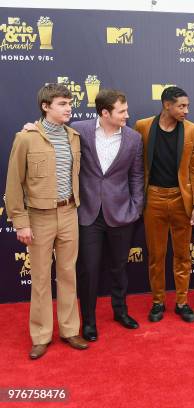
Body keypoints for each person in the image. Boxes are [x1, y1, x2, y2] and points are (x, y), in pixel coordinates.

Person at [5, 83, 88, 359]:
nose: (69, 108)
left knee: (68, 275)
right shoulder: (26, 138)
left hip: (69, 213)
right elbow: (14, 185)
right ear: (45, 107)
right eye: (62, 104)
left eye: (70, 103)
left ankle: (69, 329)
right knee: (40, 279)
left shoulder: (74, 136)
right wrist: (21, 222)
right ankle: (40, 335)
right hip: (38, 217)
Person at [71, 89, 144, 340]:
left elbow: (136, 175)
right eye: (122, 111)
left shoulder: (134, 138)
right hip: (88, 213)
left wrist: (136, 208)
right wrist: (32, 128)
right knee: (89, 270)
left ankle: (120, 311)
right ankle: (88, 322)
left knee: (119, 267)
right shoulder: (79, 130)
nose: (127, 114)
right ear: (105, 113)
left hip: (122, 213)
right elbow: (52, 136)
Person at [134, 86, 194, 323]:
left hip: (180, 200)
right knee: (156, 255)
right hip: (152, 198)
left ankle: (182, 302)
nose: (186, 110)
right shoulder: (143, 126)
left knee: (183, 255)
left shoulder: (193, 131)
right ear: (167, 105)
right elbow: (136, 165)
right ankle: (157, 302)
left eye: (187, 106)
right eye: (181, 106)